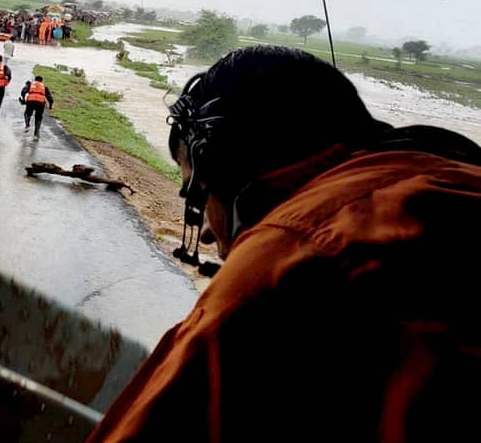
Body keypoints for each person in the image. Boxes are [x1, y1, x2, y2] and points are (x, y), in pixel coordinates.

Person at [87, 45, 481, 443]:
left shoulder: (292, 258)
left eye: (200, 194)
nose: (206, 231)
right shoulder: (455, 188)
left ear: (227, 171)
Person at [19, 75, 53, 140]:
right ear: (42, 81)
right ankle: (36, 134)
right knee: (38, 118)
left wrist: (23, 99)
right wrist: (50, 106)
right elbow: (50, 98)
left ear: (35, 80)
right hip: (41, 103)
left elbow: (23, 91)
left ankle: (27, 125)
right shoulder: (44, 87)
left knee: (27, 114)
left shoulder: (30, 84)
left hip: (31, 101)